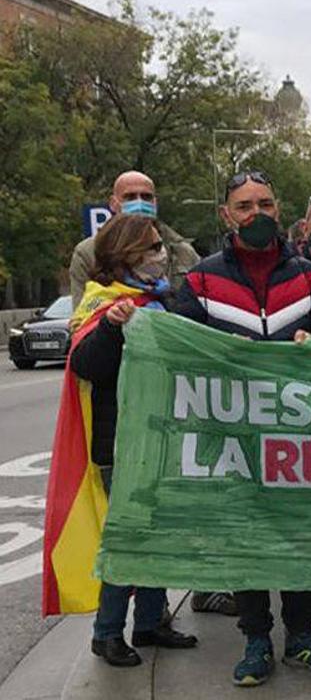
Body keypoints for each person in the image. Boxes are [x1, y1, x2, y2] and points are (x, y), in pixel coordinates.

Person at [174, 170, 311, 687]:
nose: (256, 214)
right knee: (246, 540)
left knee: (295, 538)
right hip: (232, 437)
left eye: (265, 204)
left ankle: (301, 636)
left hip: (295, 436)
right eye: (244, 206)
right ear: (226, 215)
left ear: (278, 210)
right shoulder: (200, 280)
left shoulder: (307, 275)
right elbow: (182, 353)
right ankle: (255, 640)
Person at [69, 214, 198, 666]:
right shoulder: (103, 303)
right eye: (149, 248)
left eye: (160, 245)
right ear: (123, 255)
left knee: (156, 535)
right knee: (128, 539)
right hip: (122, 446)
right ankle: (106, 632)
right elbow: (86, 365)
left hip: (163, 437)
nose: (160, 255)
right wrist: (112, 327)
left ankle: (149, 624)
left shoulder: (165, 299)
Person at [69, 170, 199, 308]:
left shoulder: (183, 251)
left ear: (155, 203)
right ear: (113, 203)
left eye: (146, 197)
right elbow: (83, 317)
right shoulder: (88, 253)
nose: (140, 202)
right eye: (130, 197)